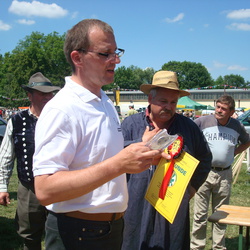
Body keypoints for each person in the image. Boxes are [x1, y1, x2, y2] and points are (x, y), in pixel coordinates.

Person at [32, 19, 166, 250]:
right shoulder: (62, 109)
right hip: (77, 235)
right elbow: (45, 189)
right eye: (105, 53)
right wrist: (120, 164)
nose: (116, 60)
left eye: (116, 52)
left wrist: (139, 151)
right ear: (78, 58)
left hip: (109, 230)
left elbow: (96, 157)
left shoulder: (103, 100)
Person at [121, 70, 212, 250]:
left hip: (173, 208)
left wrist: (192, 187)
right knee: (133, 242)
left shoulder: (188, 128)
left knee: (173, 243)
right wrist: (141, 143)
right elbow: (116, 154)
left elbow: (205, 157)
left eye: (173, 102)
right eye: (163, 101)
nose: (169, 107)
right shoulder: (130, 125)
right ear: (150, 99)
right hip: (136, 202)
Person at [0, 72, 60, 250]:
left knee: (59, 232)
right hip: (28, 187)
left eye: (50, 93)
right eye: (43, 93)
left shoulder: (61, 117)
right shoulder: (16, 120)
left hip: (58, 185)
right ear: (30, 95)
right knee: (28, 235)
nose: (48, 97)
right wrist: (2, 186)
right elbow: (6, 155)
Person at [191, 95, 250, 250]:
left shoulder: (237, 126)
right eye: (218, 107)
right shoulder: (203, 122)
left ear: (231, 112)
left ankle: (219, 247)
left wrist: (234, 153)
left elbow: (247, 141)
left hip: (225, 174)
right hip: (204, 172)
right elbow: (189, 134)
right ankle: (197, 246)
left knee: (221, 215)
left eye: (224, 109)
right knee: (200, 214)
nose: (219, 111)